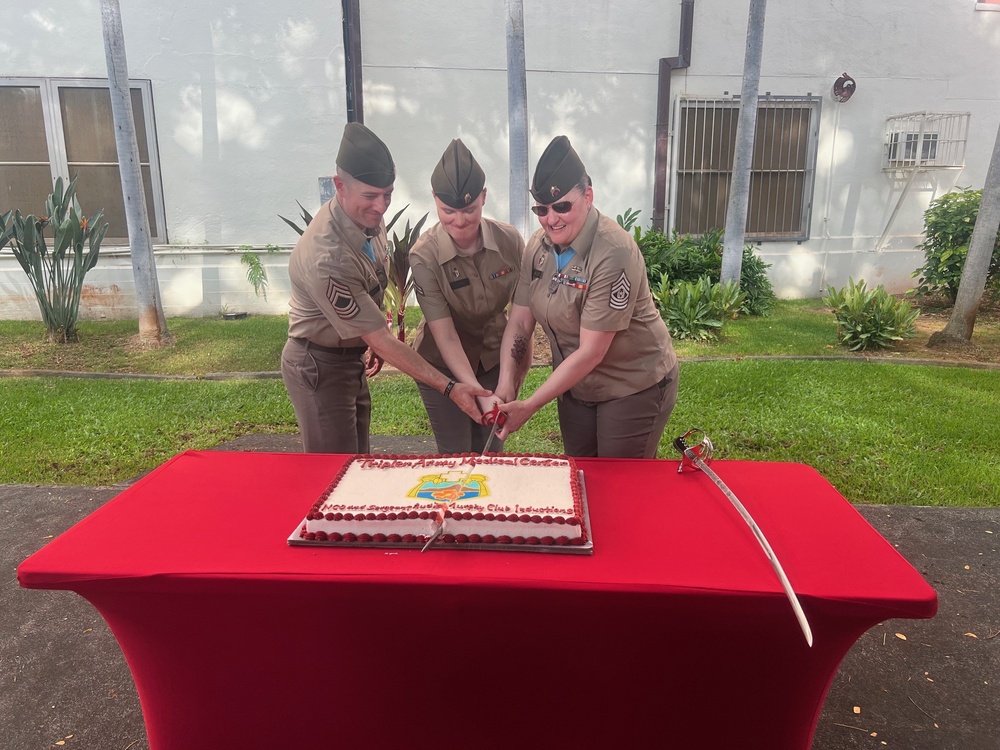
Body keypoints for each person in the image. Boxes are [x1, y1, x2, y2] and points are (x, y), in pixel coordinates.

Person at [282, 123, 489, 454]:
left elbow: (372, 285)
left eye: (387, 194)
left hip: (349, 357)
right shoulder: (328, 256)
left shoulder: (364, 218)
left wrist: (373, 346)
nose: (381, 207)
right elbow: (378, 336)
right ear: (340, 186)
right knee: (332, 472)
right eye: (370, 196)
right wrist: (449, 388)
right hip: (319, 365)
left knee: (357, 462)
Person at [494, 135, 679, 458]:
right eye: (542, 209)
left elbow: (592, 351)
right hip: (576, 386)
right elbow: (521, 322)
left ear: (588, 196)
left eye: (562, 206)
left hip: (631, 385)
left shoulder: (613, 251)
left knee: (618, 486)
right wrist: (507, 382)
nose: (551, 219)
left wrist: (530, 406)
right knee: (580, 478)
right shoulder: (538, 246)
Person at [408, 139, 527, 454]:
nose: (459, 221)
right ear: (434, 199)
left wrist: (511, 380)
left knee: (490, 451)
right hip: (443, 364)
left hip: (494, 357)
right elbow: (444, 335)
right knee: (456, 455)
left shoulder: (510, 241)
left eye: (469, 210)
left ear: (484, 198)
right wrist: (473, 390)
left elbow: (522, 317)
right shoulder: (424, 255)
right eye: (448, 211)